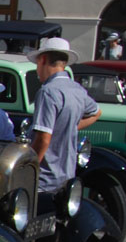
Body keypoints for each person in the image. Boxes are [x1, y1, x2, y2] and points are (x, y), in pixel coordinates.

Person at [27, 37, 102, 193]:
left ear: (43, 60)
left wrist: (29, 169)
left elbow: (43, 138)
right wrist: (69, 126)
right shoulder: (76, 89)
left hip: (45, 178)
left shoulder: (48, 91)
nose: (37, 69)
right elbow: (96, 113)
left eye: (37, 64)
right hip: (67, 175)